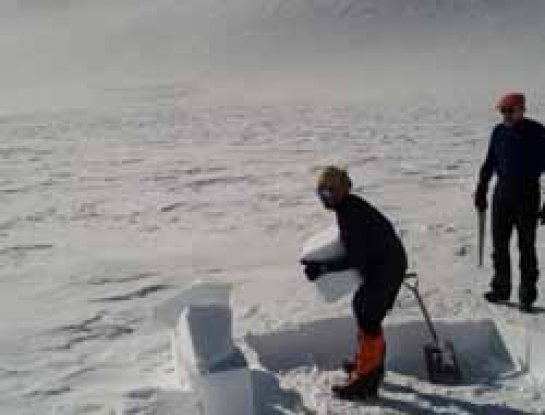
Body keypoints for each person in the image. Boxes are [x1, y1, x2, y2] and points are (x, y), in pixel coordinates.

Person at [301, 166, 407, 400]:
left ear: (341, 190)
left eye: (329, 193)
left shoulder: (351, 213)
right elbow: (355, 249)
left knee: (367, 313)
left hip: (386, 267)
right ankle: (369, 365)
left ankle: (366, 380)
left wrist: (323, 267)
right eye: (320, 194)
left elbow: (355, 256)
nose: (325, 199)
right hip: (384, 264)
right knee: (366, 310)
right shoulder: (348, 207)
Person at [474, 93, 545, 313]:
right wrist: (482, 189)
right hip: (502, 194)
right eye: (502, 111)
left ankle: (527, 295)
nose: (505, 115)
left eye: (510, 110)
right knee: (499, 246)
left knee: (526, 247)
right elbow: (489, 163)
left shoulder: (537, 132)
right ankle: (501, 288)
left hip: (527, 194)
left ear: (521, 109)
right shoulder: (499, 132)